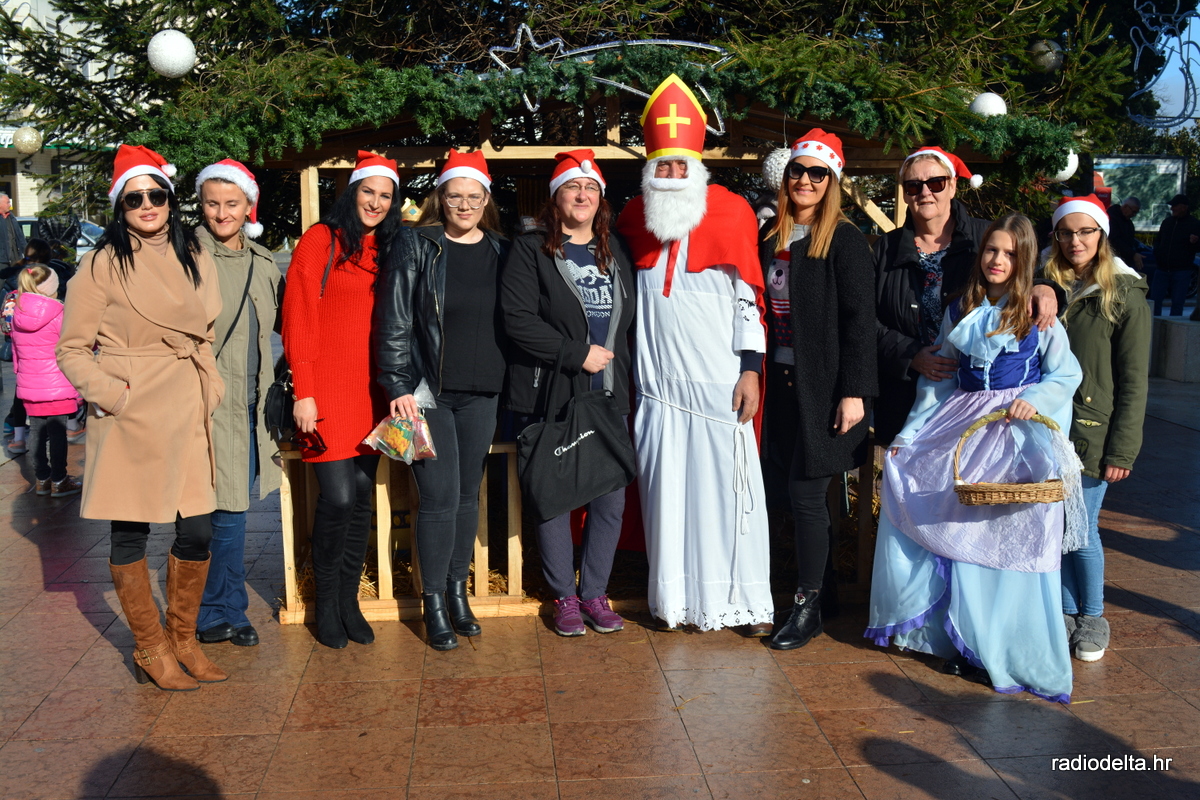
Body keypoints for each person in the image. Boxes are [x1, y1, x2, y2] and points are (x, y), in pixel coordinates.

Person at [865, 213, 1084, 702]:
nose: (998, 261)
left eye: (1010, 254)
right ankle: (965, 641)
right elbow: (939, 381)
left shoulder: (1037, 313)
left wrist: (1036, 400)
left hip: (1013, 436)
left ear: (1025, 260)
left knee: (1005, 544)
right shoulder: (961, 309)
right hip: (963, 431)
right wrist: (910, 434)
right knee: (960, 534)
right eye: (991, 250)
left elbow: (1066, 374)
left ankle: (1003, 648)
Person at [57, 144, 227, 691]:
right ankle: (151, 648)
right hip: (132, 410)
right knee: (130, 530)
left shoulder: (193, 252)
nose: (147, 205)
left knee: (197, 529)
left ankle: (183, 639)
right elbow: (71, 349)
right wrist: (115, 396)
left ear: (170, 199)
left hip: (186, 401)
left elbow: (204, 329)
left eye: (156, 194)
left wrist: (210, 383)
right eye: (134, 198)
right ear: (119, 206)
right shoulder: (101, 264)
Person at [615, 74, 773, 634]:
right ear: (649, 171)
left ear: (698, 167)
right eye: (663, 167)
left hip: (717, 384)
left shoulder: (732, 212)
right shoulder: (633, 219)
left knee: (728, 497)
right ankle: (676, 603)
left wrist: (751, 370)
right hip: (658, 390)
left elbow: (748, 299)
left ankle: (744, 602)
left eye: (682, 165)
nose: (672, 176)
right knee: (668, 501)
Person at [376, 149, 508, 651]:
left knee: (467, 494)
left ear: (486, 200)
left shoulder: (502, 249)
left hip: (483, 390)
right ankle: (432, 601)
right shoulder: (417, 244)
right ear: (441, 198)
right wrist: (397, 384)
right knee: (438, 497)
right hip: (427, 393)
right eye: (455, 196)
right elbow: (394, 319)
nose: (465, 205)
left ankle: (457, 591)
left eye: (474, 196)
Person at [502, 150, 636, 636]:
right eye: (572, 188)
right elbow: (516, 319)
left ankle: (595, 593)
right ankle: (564, 597)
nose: (582, 195)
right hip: (553, 392)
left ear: (601, 198)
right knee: (554, 497)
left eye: (590, 188)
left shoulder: (615, 250)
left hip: (608, 394)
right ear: (555, 198)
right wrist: (574, 353)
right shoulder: (531, 249)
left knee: (609, 498)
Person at [757, 130, 876, 650]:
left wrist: (855, 391)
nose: (805, 180)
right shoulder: (772, 235)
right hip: (779, 385)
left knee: (807, 495)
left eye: (817, 173)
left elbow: (860, 321)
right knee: (787, 494)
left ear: (833, 182)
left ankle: (805, 609)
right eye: (797, 171)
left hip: (823, 390)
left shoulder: (844, 240)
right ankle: (823, 591)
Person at [283, 151, 398, 649]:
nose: (376, 202)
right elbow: (298, 314)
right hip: (326, 389)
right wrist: (304, 391)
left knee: (362, 496)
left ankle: (350, 602)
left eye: (385, 195)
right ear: (352, 192)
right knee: (339, 497)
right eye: (368, 191)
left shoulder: (389, 247)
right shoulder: (320, 240)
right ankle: (324, 603)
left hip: (371, 392)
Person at [875, 147, 1060, 446]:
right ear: (905, 194)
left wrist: (1043, 286)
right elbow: (862, 320)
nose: (925, 192)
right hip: (907, 392)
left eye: (935, 183)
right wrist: (909, 354)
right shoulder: (885, 250)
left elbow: (1020, 268)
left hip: (980, 406)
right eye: (913, 185)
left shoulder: (984, 238)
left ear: (952, 185)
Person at [1041, 194, 1151, 662]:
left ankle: (1092, 616)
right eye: (1066, 233)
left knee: (1081, 529)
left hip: (1090, 432)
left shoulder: (1124, 293)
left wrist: (1122, 451)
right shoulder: (1047, 281)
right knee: (1057, 527)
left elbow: (1134, 380)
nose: (1075, 241)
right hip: (1044, 428)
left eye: (1085, 231)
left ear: (1101, 235)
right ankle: (1066, 612)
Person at [194, 159, 284, 648]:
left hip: (253, 407)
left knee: (233, 511)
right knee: (225, 515)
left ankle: (218, 606)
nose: (221, 213)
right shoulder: (188, 257)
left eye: (232, 203)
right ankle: (219, 611)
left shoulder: (264, 262)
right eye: (212, 203)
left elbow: (290, 323)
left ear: (249, 205)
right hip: (207, 406)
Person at [11, 265, 82, 497]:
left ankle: (42, 478)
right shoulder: (59, 313)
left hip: (30, 384)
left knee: (36, 432)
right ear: (53, 287)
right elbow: (74, 343)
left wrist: (21, 375)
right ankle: (60, 480)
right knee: (57, 433)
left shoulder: (18, 312)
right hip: (57, 383)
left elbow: (16, 352)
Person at [1151, 193, 1200, 316]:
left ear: (1184, 207)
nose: (1172, 208)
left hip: (1182, 270)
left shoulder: (1194, 224)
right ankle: (1154, 325)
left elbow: (1198, 247)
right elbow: (1158, 240)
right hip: (1162, 269)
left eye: (1175, 206)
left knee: (1178, 303)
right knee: (1155, 301)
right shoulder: (1167, 222)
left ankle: (1174, 326)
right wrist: (1158, 253)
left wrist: (1194, 242)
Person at [1107, 196, 1142, 271]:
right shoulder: (1111, 219)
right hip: (1112, 260)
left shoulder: (1128, 222)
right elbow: (1114, 241)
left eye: (1136, 213)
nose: (1134, 215)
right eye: (1133, 212)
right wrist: (1132, 254)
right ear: (1126, 207)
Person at [0, 193, 27, 275]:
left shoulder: (11, 216)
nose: (10, 205)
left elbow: (20, 236)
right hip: (2, 260)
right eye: (7, 202)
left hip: (15, 259)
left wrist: (26, 250)